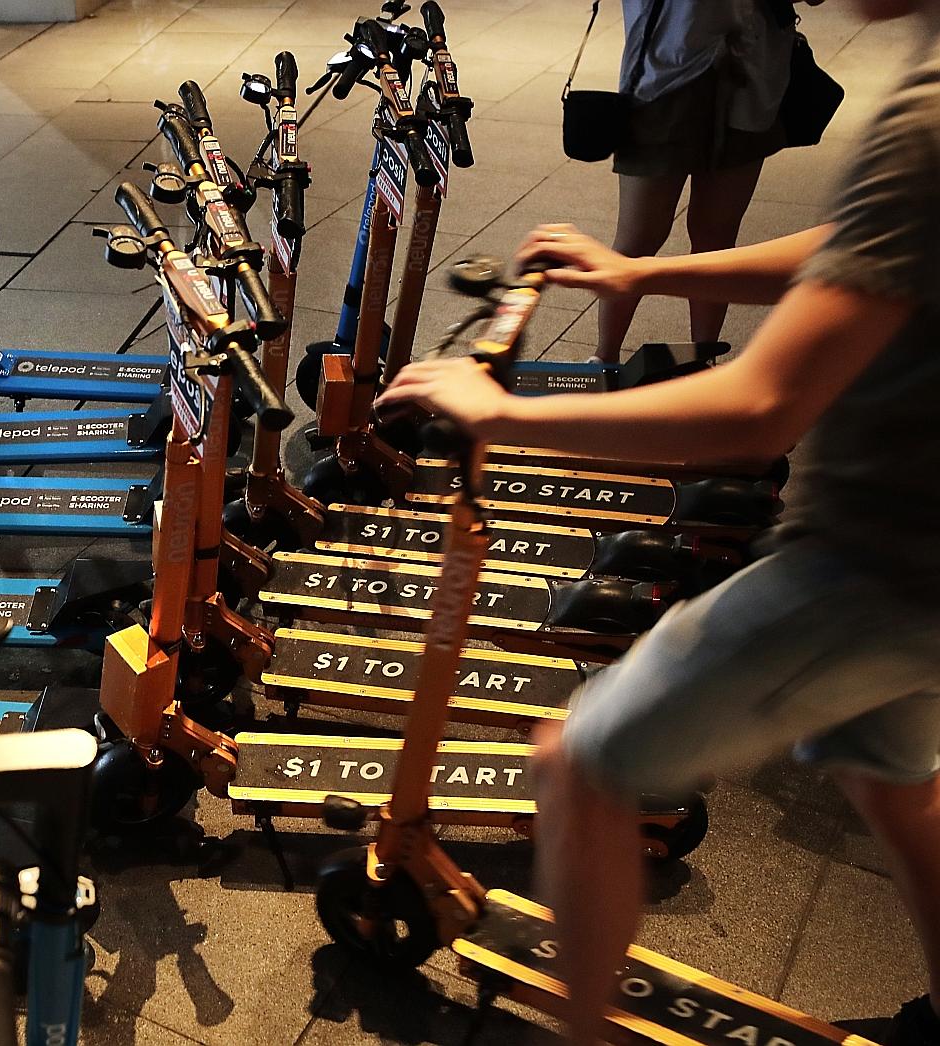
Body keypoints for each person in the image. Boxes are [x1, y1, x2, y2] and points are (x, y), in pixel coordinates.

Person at [373, 2, 940, 1043]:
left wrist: (506, 414)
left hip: (884, 560)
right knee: (894, 780)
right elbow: (860, 248)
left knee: (580, 767)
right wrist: (647, 271)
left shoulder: (930, 117)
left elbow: (757, 407)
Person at [594, 0, 797, 364]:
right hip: (666, 75)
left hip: (751, 77)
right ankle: (602, 360)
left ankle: (703, 358)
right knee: (640, 236)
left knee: (716, 238)